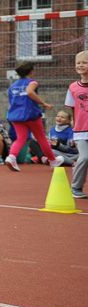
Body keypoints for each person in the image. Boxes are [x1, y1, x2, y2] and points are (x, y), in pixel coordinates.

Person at [4, 62, 60, 171]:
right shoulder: (32, 82)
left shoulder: (12, 86)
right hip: (31, 115)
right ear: (31, 71)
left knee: (21, 138)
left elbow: (11, 101)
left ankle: (11, 157)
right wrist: (43, 103)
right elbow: (29, 92)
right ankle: (53, 160)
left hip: (16, 116)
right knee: (41, 138)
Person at [64, 50, 88, 199]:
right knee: (84, 158)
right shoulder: (73, 87)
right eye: (78, 63)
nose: (81, 65)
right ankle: (76, 188)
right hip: (81, 130)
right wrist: (74, 126)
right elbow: (72, 108)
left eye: (84, 62)